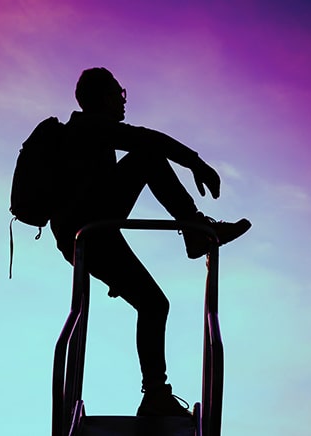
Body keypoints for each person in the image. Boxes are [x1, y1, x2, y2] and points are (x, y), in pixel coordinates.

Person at [50, 67, 251, 417]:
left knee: (154, 304)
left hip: (95, 232)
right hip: (90, 231)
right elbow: (146, 140)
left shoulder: (90, 135)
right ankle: (193, 231)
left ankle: (156, 393)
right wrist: (195, 162)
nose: (123, 100)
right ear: (102, 98)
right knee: (149, 155)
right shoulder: (87, 127)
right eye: (118, 93)